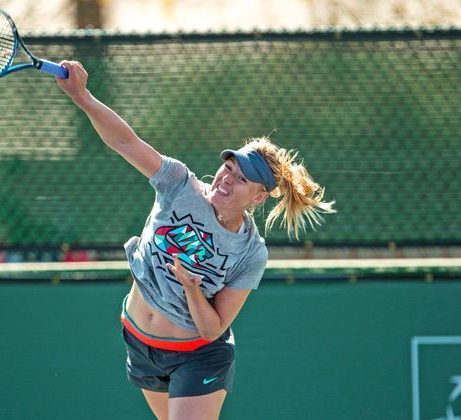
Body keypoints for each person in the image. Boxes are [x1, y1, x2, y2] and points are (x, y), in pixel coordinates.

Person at [56, 61, 335, 420]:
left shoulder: (251, 253)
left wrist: (191, 289)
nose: (226, 179)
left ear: (259, 197)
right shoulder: (180, 185)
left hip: (198, 354)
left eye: (240, 179)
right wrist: (83, 97)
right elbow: (125, 141)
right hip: (140, 343)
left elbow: (212, 328)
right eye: (228, 168)